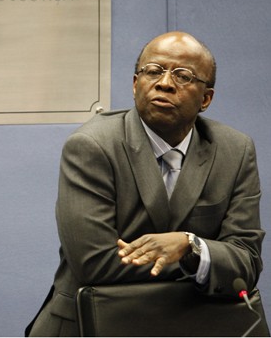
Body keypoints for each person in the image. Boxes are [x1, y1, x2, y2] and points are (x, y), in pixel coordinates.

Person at [26, 31, 264, 336]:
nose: (164, 83)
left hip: (191, 326)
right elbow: (95, 263)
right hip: (90, 326)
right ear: (135, 84)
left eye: (183, 76)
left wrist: (189, 244)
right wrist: (203, 259)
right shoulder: (92, 146)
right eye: (153, 71)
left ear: (206, 98)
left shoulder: (234, 150)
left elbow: (246, 262)